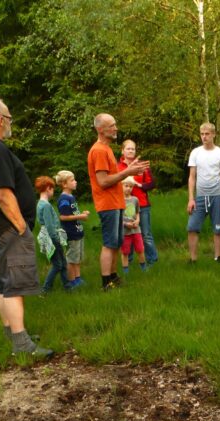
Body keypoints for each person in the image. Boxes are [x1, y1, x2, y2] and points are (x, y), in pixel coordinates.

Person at [0, 97, 53, 357]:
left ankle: (13, 332)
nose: (10, 124)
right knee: (14, 284)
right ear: (0, 120)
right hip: (6, 228)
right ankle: (22, 345)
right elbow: (2, 194)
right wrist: (20, 227)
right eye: (9, 118)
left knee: (2, 283)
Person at [88, 113, 149, 291]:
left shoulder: (106, 148)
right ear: (100, 129)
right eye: (111, 125)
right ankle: (106, 282)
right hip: (107, 203)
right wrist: (128, 172)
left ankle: (113, 276)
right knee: (109, 243)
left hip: (116, 202)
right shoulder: (99, 150)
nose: (116, 128)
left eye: (115, 124)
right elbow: (103, 181)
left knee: (116, 242)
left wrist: (128, 170)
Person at [187, 122, 220, 263]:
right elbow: (192, 177)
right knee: (192, 227)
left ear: (213, 134)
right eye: (202, 134)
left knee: (218, 228)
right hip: (200, 196)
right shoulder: (195, 152)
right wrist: (191, 198)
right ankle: (193, 259)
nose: (204, 137)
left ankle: (218, 257)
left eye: (207, 134)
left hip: (217, 196)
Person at [118, 140, 158, 265]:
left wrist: (138, 184)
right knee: (126, 234)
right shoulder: (117, 167)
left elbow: (152, 184)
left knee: (146, 234)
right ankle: (127, 261)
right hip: (123, 205)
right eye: (128, 149)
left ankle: (152, 260)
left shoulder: (142, 165)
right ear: (122, 151)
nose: (131, 151)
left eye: (133, 149)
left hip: (142, 204)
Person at [35, 176, 77, 294]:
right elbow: (49, 226)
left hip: (49, 236)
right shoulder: (46, 205)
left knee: (62, 263)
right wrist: (56, 240)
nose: (53, 192)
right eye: (52, 189)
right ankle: (45, 290)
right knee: (58, 265)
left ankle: (67, 287)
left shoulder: (39, 203)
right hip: (52, 238)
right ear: (48, 188)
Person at [55, 170, 89, 287]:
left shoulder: (71, 197)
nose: (75, 182)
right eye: (72, 180)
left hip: (78, 232)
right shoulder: (64, 199)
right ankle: (71, 282)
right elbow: (63, 217)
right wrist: (81, 216)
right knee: (71, 259)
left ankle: (77, 278)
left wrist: (81, 213)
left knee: (77, 258)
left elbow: (73, 213)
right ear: (64, 184)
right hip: (71, 234)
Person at [121, 177, 147, 273]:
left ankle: (143, 267)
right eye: (126, 186)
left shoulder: (135, 199)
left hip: (136, 230)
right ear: (121, 186)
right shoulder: (119, 200)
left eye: (131, 187)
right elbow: (118, 217)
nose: (128, 188)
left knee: (140, 249)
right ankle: (125, 270)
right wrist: (125, 223)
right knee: (125, 251)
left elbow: (137, 212)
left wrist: (137, 221)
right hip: (125, 231)